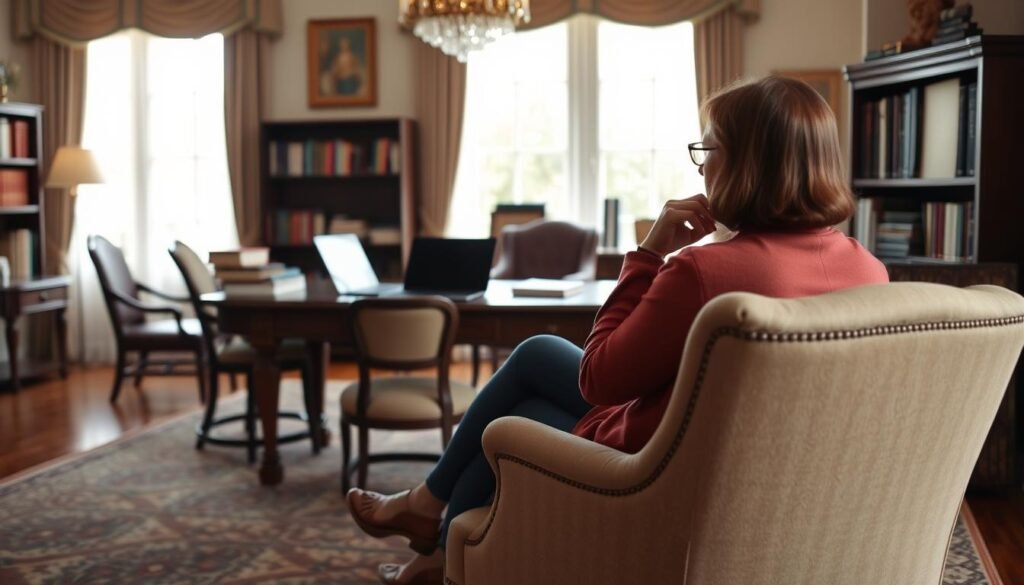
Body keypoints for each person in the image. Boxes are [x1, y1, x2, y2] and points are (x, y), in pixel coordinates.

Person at [346, 75, 890, 585]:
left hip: (664, 466)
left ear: (747, 163)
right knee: (536, 356)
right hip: (769, 469)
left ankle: (433, 531)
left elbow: (597, 378)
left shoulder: (707, 271)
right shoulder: (868, 269)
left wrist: (650, 253)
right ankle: (435, 547)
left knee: (520, 415)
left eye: (709, 151)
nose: (701, 169)